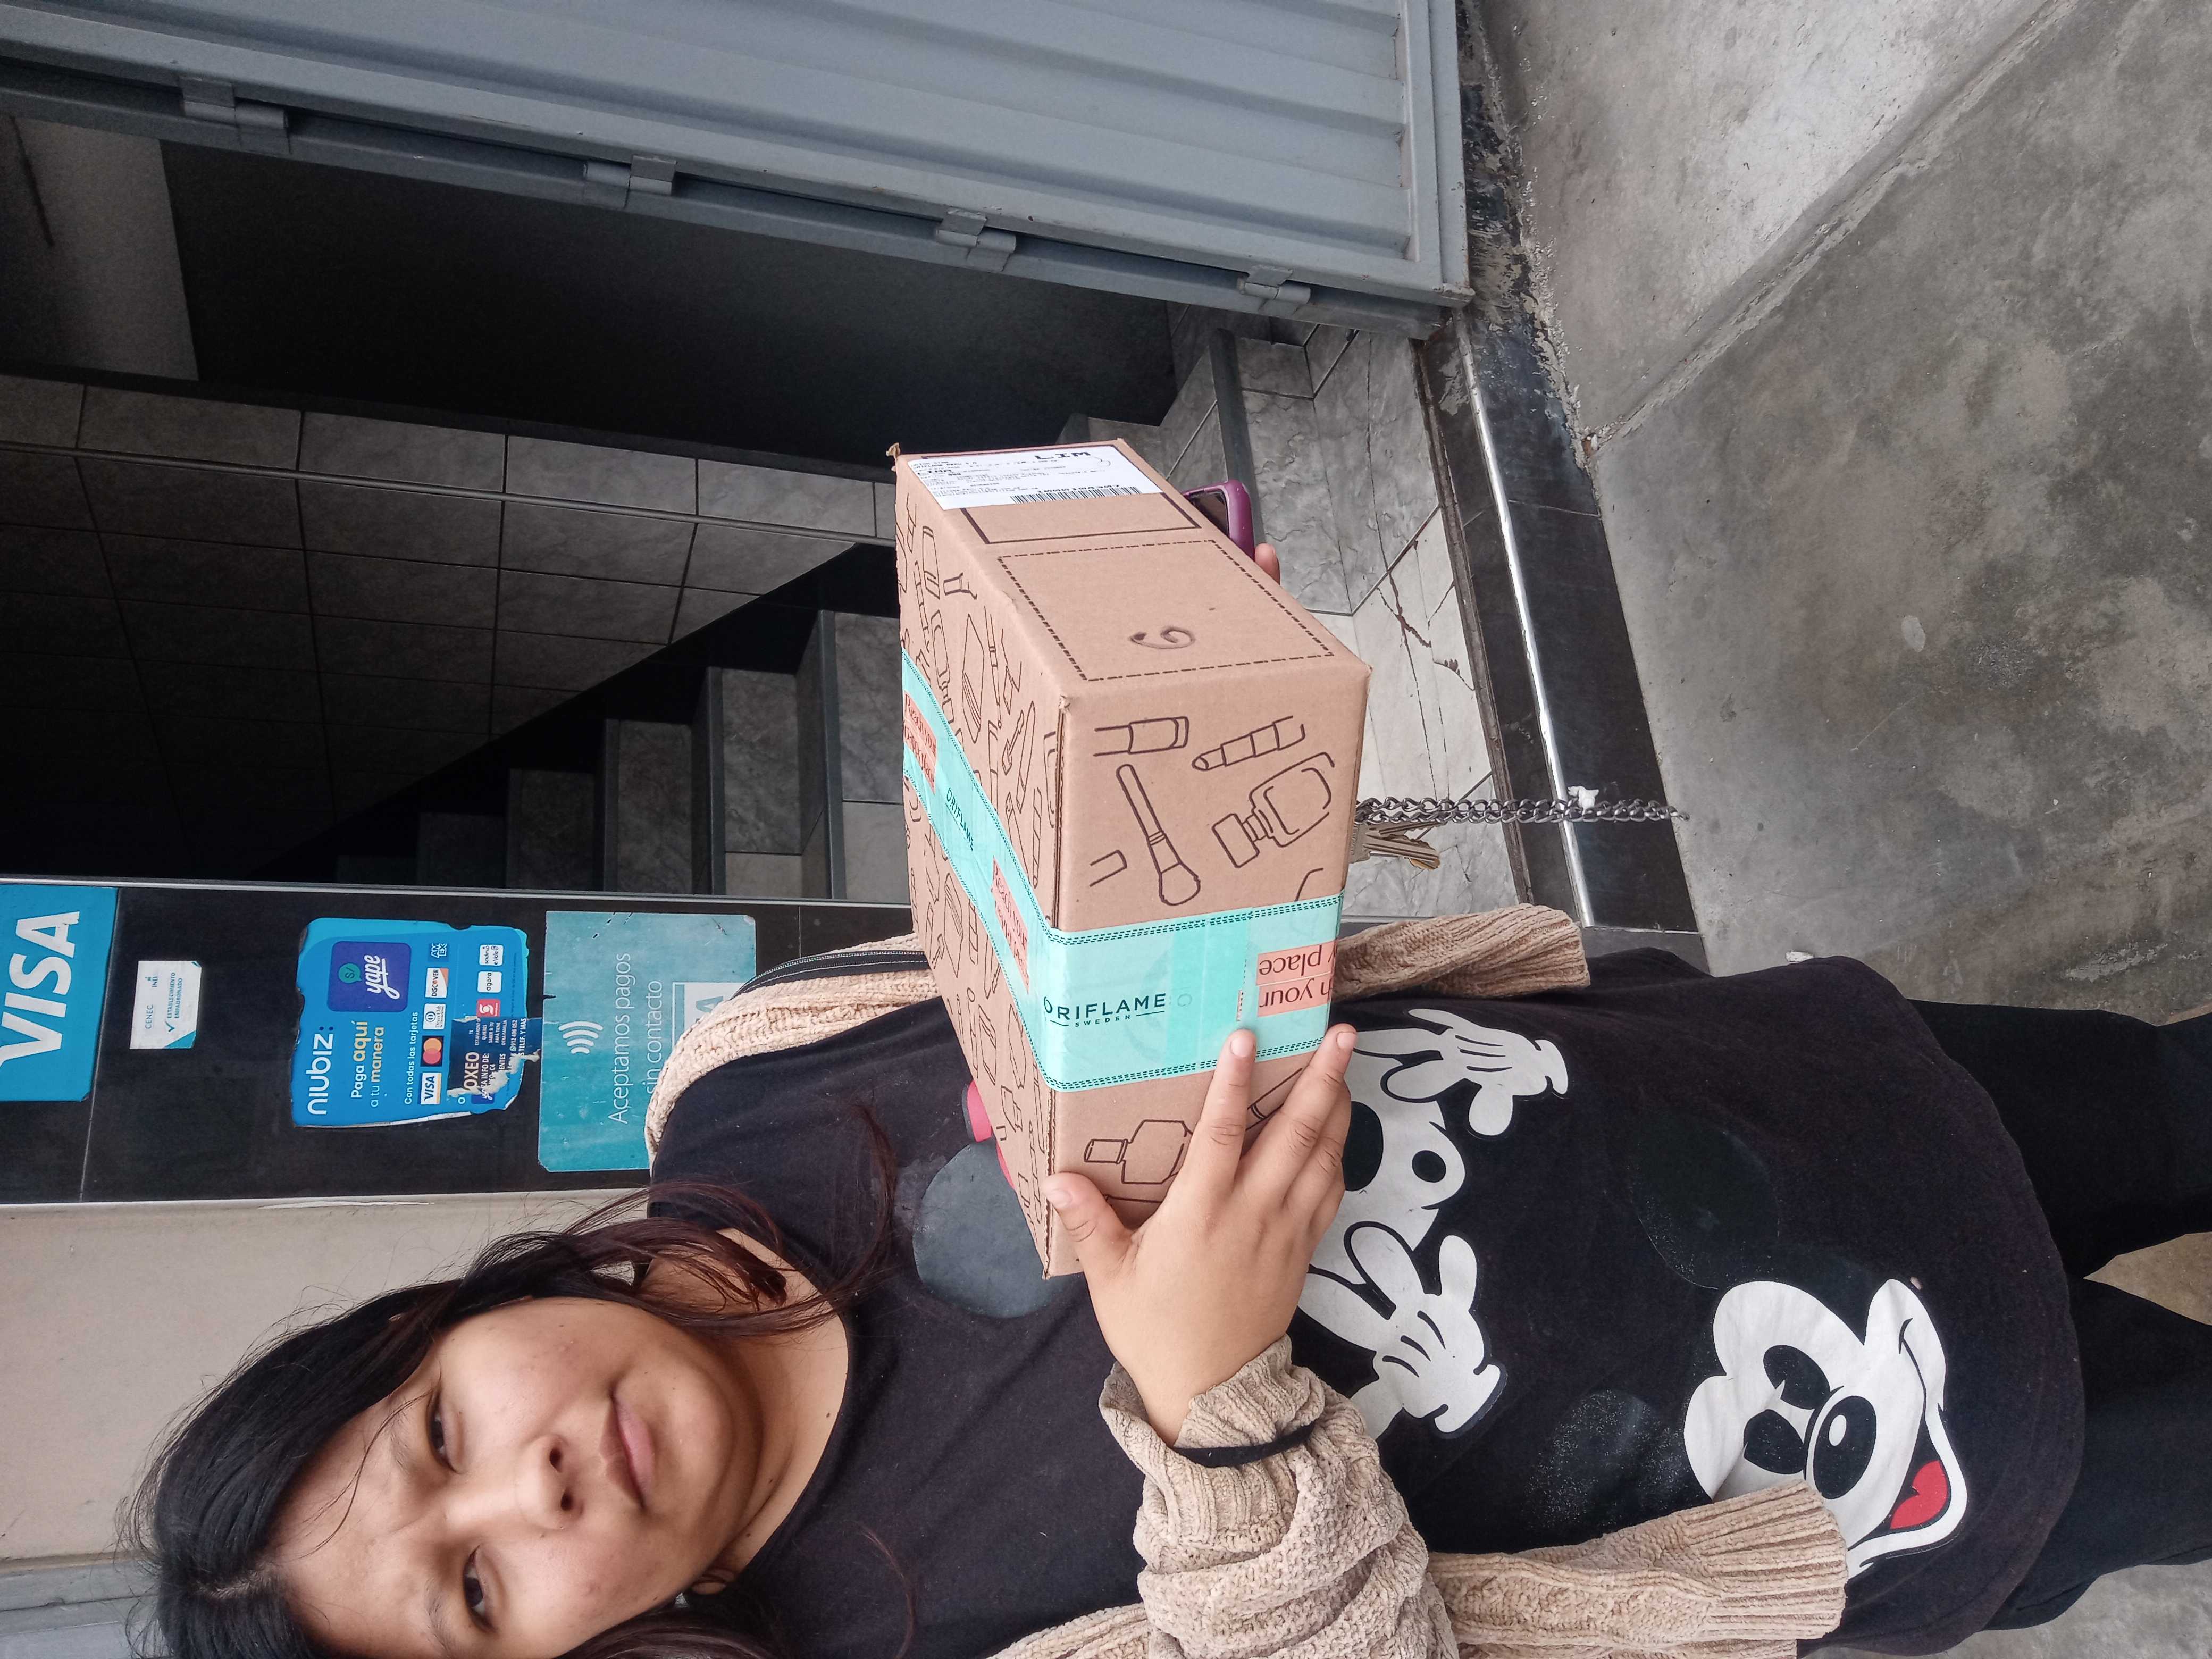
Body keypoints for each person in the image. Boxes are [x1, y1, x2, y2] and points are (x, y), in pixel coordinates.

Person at [131, 552, 2211, 1659]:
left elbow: (1120, 943)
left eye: (441, 1438)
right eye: (477, 1598)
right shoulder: (890, 1634)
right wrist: (1214, 1398)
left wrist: (1194, 775)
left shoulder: (737, 1078)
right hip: (1899, 1450)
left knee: (2173, 1091)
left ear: (436, 1328)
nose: (532, 1490)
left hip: (1767, 1103)